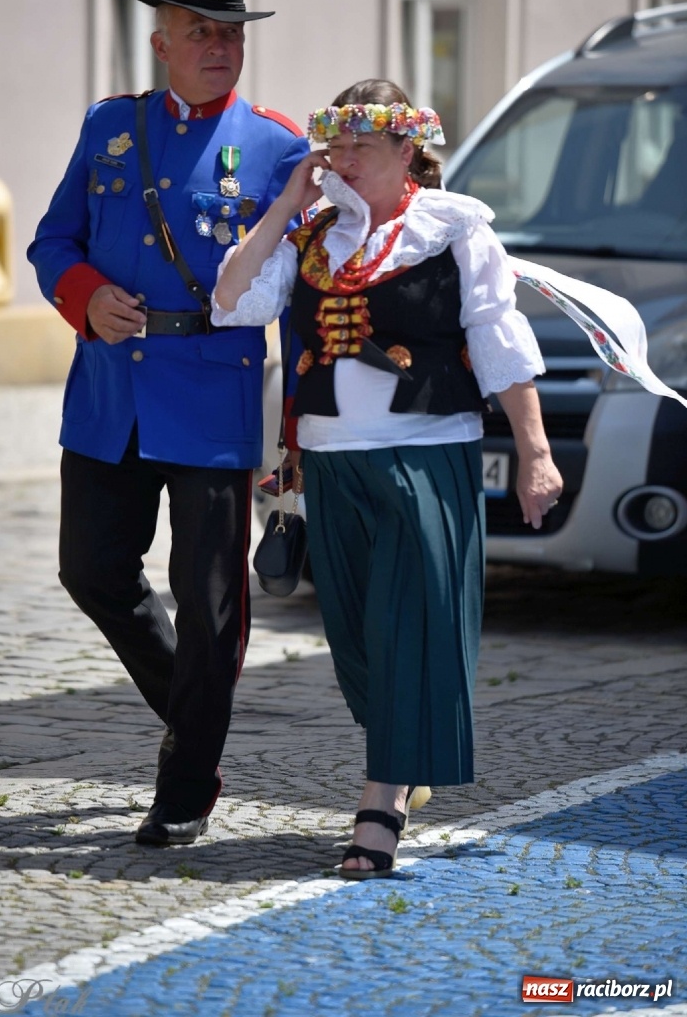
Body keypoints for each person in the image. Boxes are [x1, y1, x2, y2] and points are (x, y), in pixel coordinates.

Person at [212, 78, 563, 879]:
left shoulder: (453, 229)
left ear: (407, 150)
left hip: (426, 451)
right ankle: (408, 751)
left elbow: (501, 344)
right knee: (357, 642)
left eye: (359, 147)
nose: (341, 159)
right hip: (330, 464)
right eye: (334, 146)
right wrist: (285, 205)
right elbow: (230, 301)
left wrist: (534, 452)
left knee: (414, 626)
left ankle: (380, 804)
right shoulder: (311, 236)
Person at [27, 0, 308, 848]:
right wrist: (81, 294)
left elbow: (300, 291)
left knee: (210, 601)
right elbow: (51, 240)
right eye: (200, 33)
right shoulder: (111, 127)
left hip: (213, 397)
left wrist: (298, 419)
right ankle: (193, 712)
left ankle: (187, 782)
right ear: (162, 44)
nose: (219, 47)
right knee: (92, 570)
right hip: (111, 395)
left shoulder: (276, 144)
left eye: (230, 34)